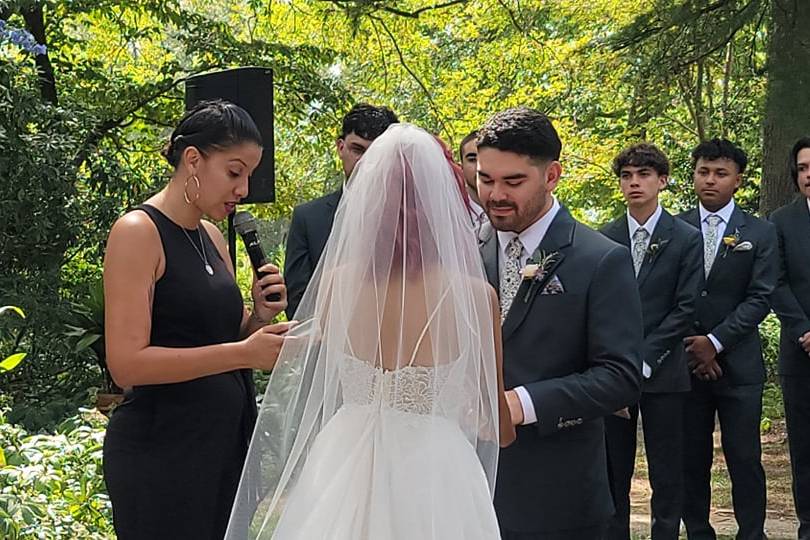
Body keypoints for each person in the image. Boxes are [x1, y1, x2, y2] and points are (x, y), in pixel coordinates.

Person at [225, 123, 515, 540]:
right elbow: (497, 429)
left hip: (343, 458)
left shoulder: (336, 283)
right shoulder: (474, 297)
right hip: (433, 471)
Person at [102, 100, 293, 540]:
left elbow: (224, 337)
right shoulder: (138, 231)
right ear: (193, 159)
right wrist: (242, 352)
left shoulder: (209, 236)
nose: (243, 188)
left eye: (248, 175)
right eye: (233, 172)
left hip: (223, 448)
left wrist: (260, 318)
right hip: (163, 453)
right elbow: (127, 364)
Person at [476, 107, 643, 540]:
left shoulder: (600, 258)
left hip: (557, 494)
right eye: (485, 178)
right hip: (467, 486)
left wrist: (522, 404)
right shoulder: (460, 252)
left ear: (552, 176)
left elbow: (620, 377)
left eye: (513, 182)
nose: (495, 194)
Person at [600, 143, 703, 540]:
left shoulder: (685, 237)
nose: (634, 183)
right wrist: (620, 361)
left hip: (665, 372)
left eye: (643, 175)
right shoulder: (605, 237)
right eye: (626, 176)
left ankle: (665, 534)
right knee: (614, 466)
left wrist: (645, 358)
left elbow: (686, 307)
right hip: (614, 371)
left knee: (666, 466)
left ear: (662, 181)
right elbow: (601, 309)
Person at [677, 138, 778, 540]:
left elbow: (761, 297)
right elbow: (665, 293)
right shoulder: (675, 227)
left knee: (745, 456)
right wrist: (694, 345)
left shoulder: (760, 232)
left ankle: (752, 532)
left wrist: (715, 342)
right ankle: (698, 531)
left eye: (720, 173)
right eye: (703, 171)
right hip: (685, 364)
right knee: (691, 458)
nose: (710, 180)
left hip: (740, 367)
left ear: (738, 180)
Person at [284, 103, 399, 318]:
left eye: (377, 153)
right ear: (340, 147)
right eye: (358, 150)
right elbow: (297, 305)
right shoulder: (308, 218)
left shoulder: (408, 218)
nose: (366, 162)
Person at [770, 137, 810, 540]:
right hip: (802, 355)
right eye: (802, 168)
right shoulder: (781, 222)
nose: (809, 174)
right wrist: (803, 330)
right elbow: (776, 284)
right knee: (804, 449)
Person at [459, 129, 489, 236]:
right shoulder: (451, 213)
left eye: (487, 158)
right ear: (461, 167)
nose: (479, 167)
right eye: (472, 159)